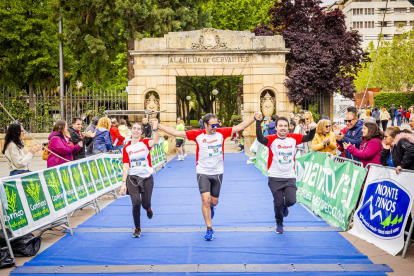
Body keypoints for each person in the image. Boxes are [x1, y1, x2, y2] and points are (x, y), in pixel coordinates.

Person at [157, 112, 256, 241]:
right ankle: (209, 228)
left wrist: (254, 118)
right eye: (212, 124)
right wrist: (158, 125)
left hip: (218, 172)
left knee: (213, 201)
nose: (215, 126)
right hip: (203, 171)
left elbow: (240, 127)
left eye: (217, 124)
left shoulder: (222, 133)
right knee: (205, 200)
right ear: (205, 124)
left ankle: (212, 207)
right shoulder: (197, 134)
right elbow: (176, 133)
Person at [255, 114, 316, 234]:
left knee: (291, 201)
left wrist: (312, 129)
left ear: (288, 127)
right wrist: (258, 122)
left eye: (285, 126)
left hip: (289, 176)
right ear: (276, 128)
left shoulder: (293, 138)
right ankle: (279, 222)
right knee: (277, 202)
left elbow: (308, 138)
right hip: (275, 176)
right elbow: (260, 139)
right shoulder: (271, 139)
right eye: (280, 126)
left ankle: (285, 206)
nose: (283, 128)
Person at [119, 119, 159, 238]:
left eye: (138, 129)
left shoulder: (145, 143)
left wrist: (155, 128)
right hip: (132, 178)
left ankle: (148, 209)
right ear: (131, 131)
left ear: (141, 131)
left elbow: (156, 141)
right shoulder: (126, 148)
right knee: (136, 203)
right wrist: (123, 183)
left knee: (145, 203)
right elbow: (126, 166)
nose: (136, 131)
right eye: (134, 128)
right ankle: (137, 228)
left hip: (146, 177)